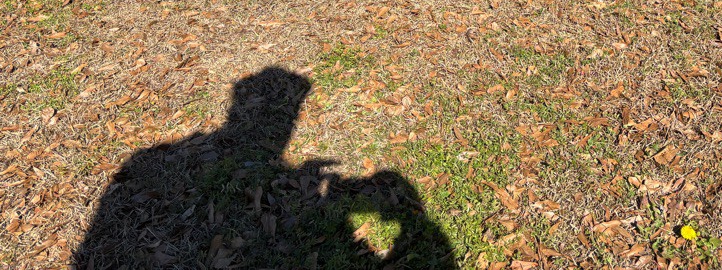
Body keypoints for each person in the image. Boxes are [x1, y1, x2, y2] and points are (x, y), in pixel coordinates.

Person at [72, 67, 455, 269]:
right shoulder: (150, 162)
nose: (290, 118)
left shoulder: (149, 160)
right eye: (292, 109)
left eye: (293, 109)